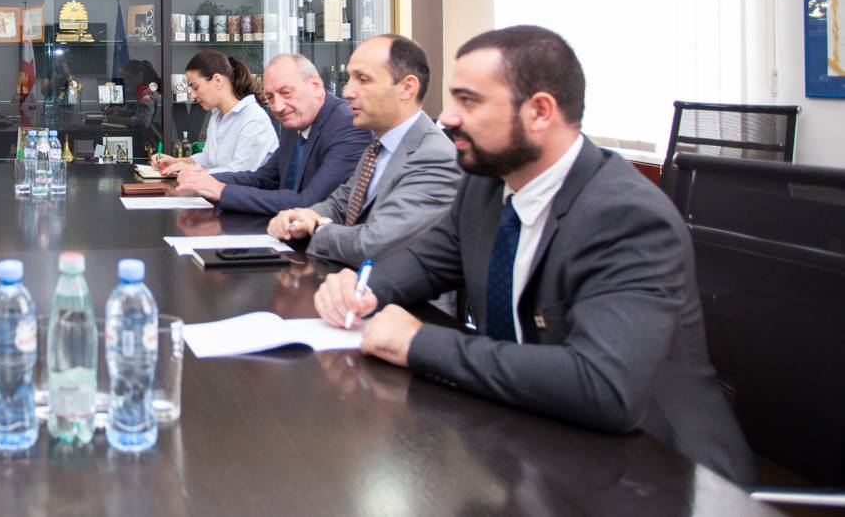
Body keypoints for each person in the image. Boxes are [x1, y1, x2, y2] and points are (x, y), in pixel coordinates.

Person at [313, 25, 756, 483]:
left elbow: (602, 384)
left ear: (540, 112)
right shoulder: (486, 186)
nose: (447, 117)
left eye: (469, 101)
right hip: (535, 440)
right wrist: (362, 288)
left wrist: (418, 343)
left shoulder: (626, 216)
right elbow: (427, 261)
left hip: (659, 472)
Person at [268, 35, 460, 267]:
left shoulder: (435, 157)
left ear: (407, 88)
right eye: (350, 78)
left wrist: (316, 228)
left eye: (363, 79)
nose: (347, 91)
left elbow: (373, 244)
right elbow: (340, 203)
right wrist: (303, 217)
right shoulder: (378, 146)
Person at [175, 54, 371, 215]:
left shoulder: (346, 124)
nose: (278, 106)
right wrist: (204, 179)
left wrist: (221, 190)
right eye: (270, 97)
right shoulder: (295, 123)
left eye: (286, 93)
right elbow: (263, 179)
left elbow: (309, 202)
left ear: (316, 86)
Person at [150, 50, 278, 176]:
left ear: (217, 81)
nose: (193, 95)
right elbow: (208, 159)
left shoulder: (253, 119)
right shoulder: (217, 116)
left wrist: (190, 170)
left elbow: (240, 173)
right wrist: (175, 162)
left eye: (196, 87)